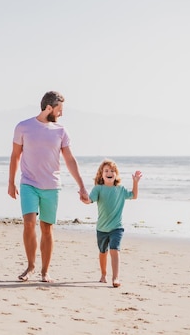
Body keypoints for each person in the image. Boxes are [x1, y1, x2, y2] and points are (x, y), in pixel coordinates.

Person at [8, 91, 89, 283]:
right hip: (29, 183)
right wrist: (11, 182)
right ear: (49, 108)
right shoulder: (23, 127)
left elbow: (69, 159)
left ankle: (45, 271)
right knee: (28, 223)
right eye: (59, 109)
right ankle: (30, 266)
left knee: (46, 228)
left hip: (52, 186)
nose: (61, 113)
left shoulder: (61, 131)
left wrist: (82, 186)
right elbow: (15, 155)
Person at [82, 159, 142, 288]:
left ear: (116, 174)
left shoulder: (120, 189)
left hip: (117, 227)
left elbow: (134, 196)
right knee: (103, 252)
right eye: (106, 171)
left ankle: (115, 278)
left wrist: (135, 182)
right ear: (101, 174)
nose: (109, 173)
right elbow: (89, 200)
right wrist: (84, 198)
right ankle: (103, 274)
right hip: (102, 228)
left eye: (112, 170)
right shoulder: (98, 189)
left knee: (115, 250)